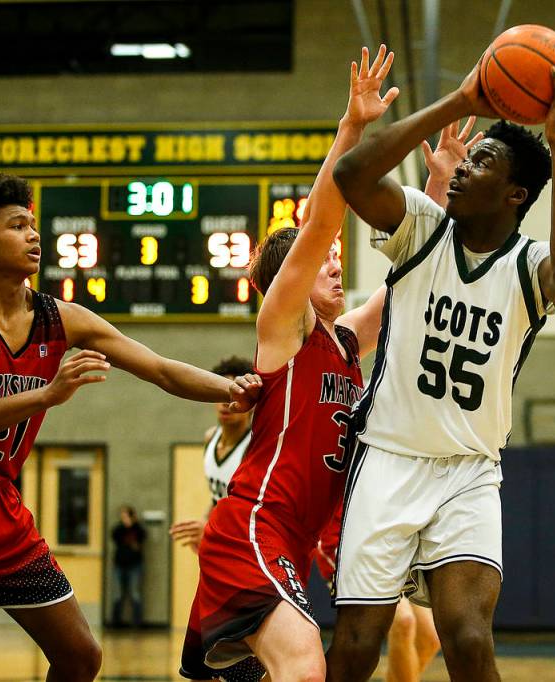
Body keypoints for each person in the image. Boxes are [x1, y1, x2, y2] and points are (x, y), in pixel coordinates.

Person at [0, 172, 258, 682]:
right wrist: (47, 395)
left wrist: (234, 388)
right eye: (17, 225)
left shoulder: (60, 318)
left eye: (33, 225)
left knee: (81, 656)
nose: (33, 235)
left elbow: (158, 367)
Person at [325, 55, 555, 682]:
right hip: (387, 458)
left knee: (469, 638)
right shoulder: (422, 228)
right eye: (467, 158)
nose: (463, 167)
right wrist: (463, 100)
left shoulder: (528, 267)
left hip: (469, 473)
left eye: (483, 162)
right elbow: (352, 173)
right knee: (358, 645)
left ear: (514, 194)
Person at [178, 45, 396, 682]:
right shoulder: (283, 333)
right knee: (304, 668)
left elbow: (401, 286)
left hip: (290, 543)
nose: (336, 265)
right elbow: (321, 224)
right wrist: (351, 130)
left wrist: (438, 181)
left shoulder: (342, 343)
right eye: (323, 261)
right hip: (254, 526)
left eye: (337, 262)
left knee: (279, 674)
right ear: (288, 284)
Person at [170, 356, 256, 554]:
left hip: (245, 544)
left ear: (251, 404)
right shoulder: (210, 437)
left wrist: (209, 529)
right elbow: (218, 497)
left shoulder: (254, 447)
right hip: (222, 539)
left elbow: (247, 511)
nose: (226, 403)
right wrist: (203, 521)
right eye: (223, 394)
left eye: (235, 396)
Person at [110, 505, 147, 627]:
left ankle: (137, 622)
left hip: (135, 565)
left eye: (126, 516)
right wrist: (124, 526)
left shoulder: (138, 529)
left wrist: (133, 524)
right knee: (117, 594)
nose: (124, 519)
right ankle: (116, 622)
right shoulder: (119, 529)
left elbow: (143, 536)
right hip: (120, 565)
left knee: (135, 594)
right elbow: (114, 534)